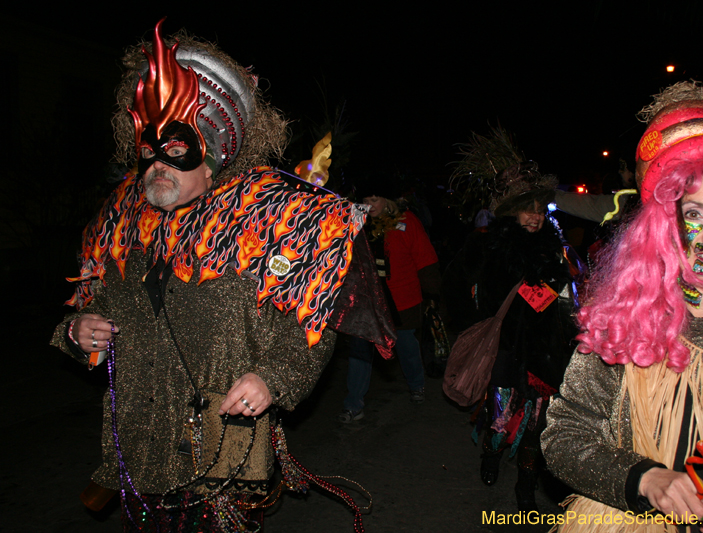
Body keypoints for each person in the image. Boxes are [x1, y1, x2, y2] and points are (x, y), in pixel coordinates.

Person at [50, 20, 388, 531]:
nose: (157, 165)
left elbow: (308, 329)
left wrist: (271, 377)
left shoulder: (264, 223)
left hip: (219, 455)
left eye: (176, 151)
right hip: (137, 451)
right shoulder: (118, 229)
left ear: (210, 162)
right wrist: (78, 333)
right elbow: (85, 316)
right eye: (149, 152)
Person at [541, 81, 703, 533]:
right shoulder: (624, 327)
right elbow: (563, 436)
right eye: (694, 214)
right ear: (663, 227)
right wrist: (643, 479)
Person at [444, 156, 579, 512]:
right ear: (512, 213)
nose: (535, 216)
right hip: (505, 352)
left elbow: (569, 298)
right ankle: (491, 453)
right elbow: (458, 282)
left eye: (539, 210)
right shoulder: (491, 246)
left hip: (544, 354)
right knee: (501, 418)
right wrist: (474, 321)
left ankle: (526, 483)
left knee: (535, 426)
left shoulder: (556, 247)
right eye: (527, 210)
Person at [339, 182, 441, 422]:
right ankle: (353, 404)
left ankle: (416, 384)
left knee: (406, 345)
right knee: (360, 349)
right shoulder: (356, 223)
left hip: (401, 302)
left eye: (375, 199)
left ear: (387, 200)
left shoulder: (407, 223)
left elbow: (425, 259)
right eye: (366, 200)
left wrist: (432, 294)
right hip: (366, 302)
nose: (370, 205)